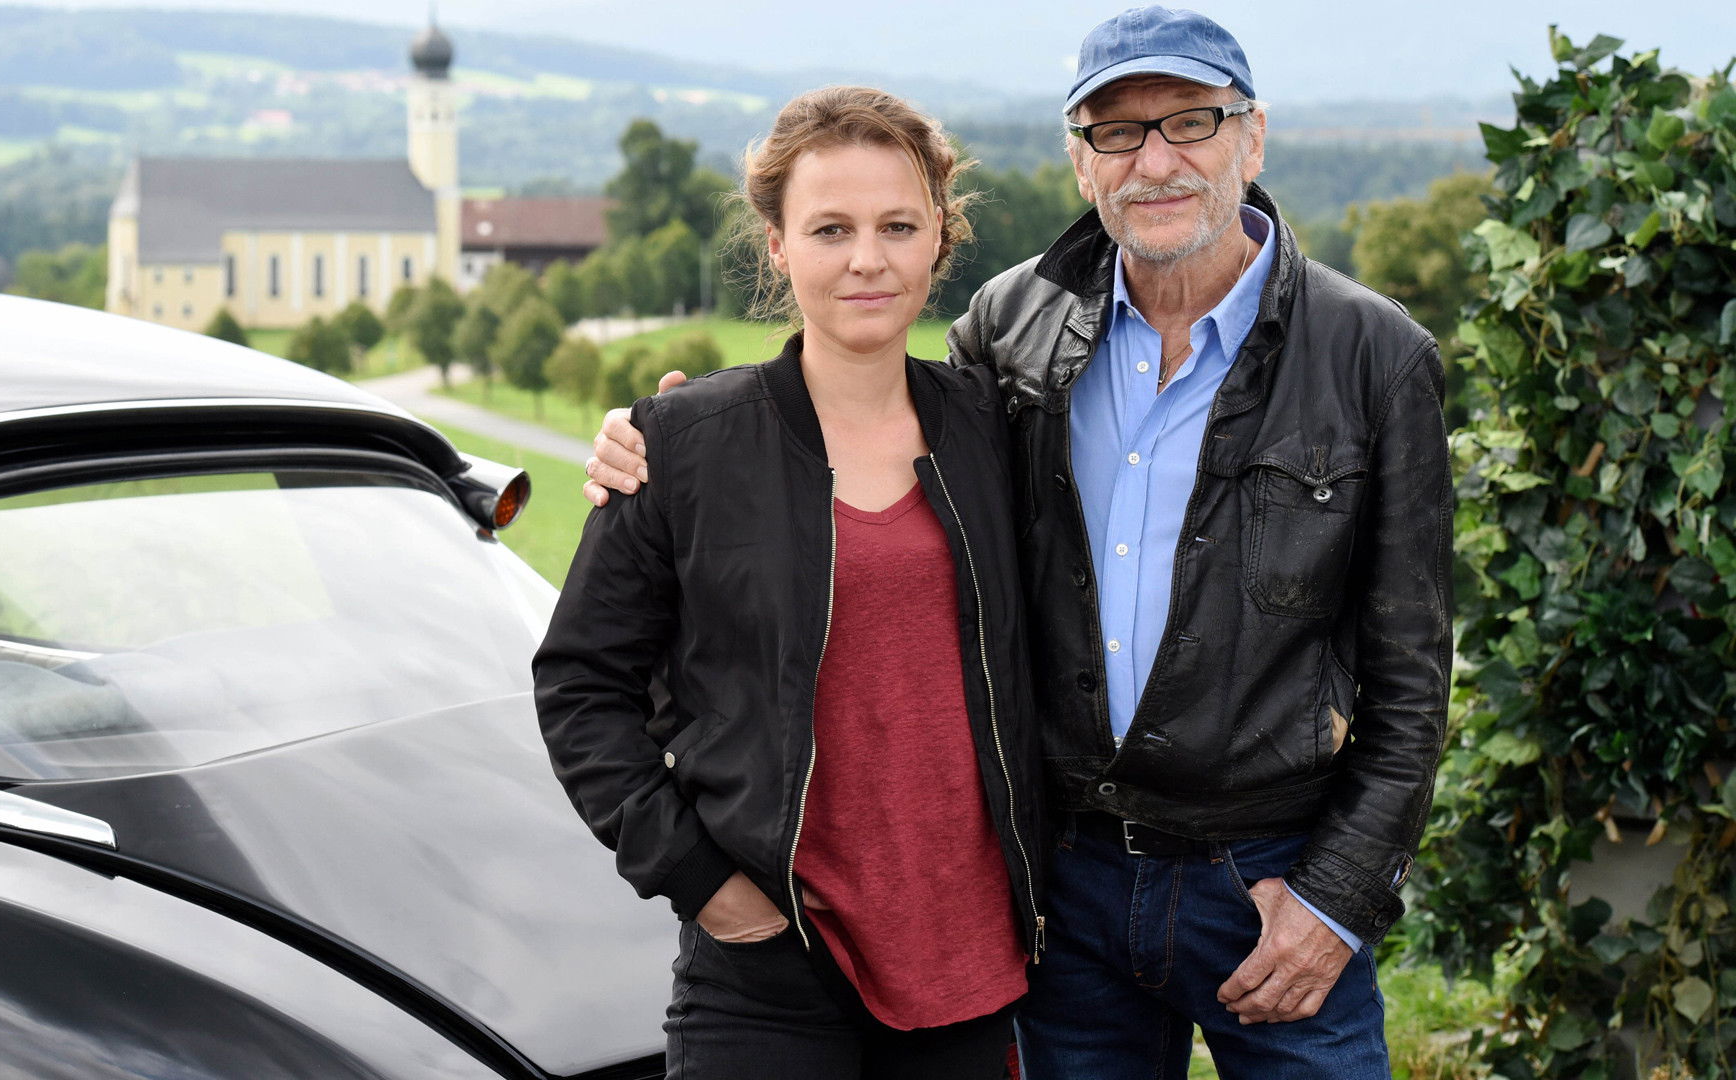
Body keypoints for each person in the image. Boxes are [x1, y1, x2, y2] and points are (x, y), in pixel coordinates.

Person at [582, 7, 1453, 1077]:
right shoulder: (1013, 329)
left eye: (1191, 121)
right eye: (1116, 133)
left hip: (1269, 876)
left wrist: (1340, 897)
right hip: (1065, 887)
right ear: (1081, 162)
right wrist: (667, 440)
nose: (1156, 161)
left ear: (1253, 137)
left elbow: (1412, 677)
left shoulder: (1374, 356)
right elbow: (857, 406)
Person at [533, 85, 1045, 1080]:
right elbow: (580, 686)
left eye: (899, 226)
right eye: (831, 228)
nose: (868, 259)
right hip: (767, 976)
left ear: (940, 237)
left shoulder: (999, 430)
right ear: (777, 245)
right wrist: (700, 881)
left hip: (967, 968)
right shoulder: (683, 444)